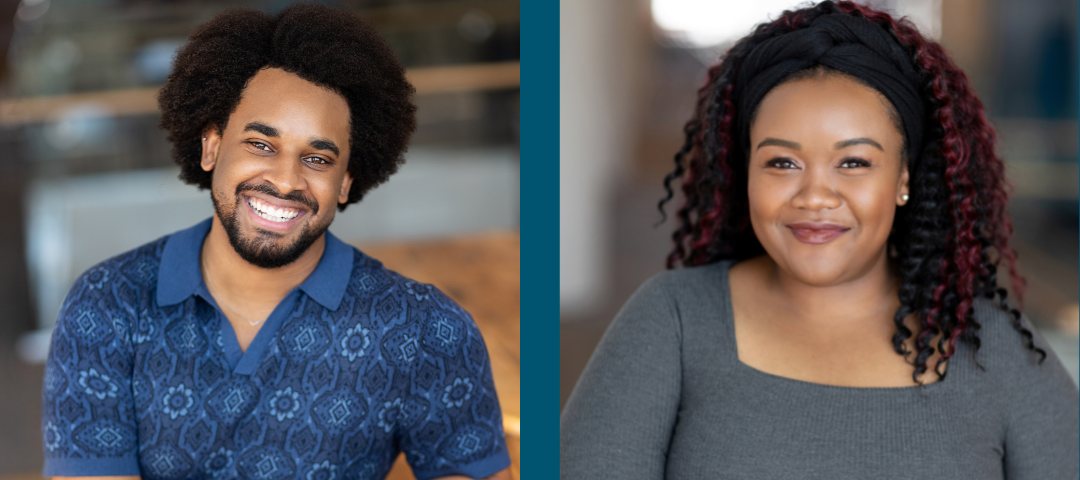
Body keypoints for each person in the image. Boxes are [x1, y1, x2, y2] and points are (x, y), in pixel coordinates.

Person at [560, 2, 1078, 479]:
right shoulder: (670, 322)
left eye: (854, 162)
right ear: (746, 174)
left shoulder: (994, 349)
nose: (814, 196)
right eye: (782, 162)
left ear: (904, 178)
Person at [41, 4, 510, 480]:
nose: (286, 181)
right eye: (261, 145)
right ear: (211, 146)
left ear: (346, 182)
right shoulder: (107, 306)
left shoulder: (426, 330)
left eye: (318, 159)